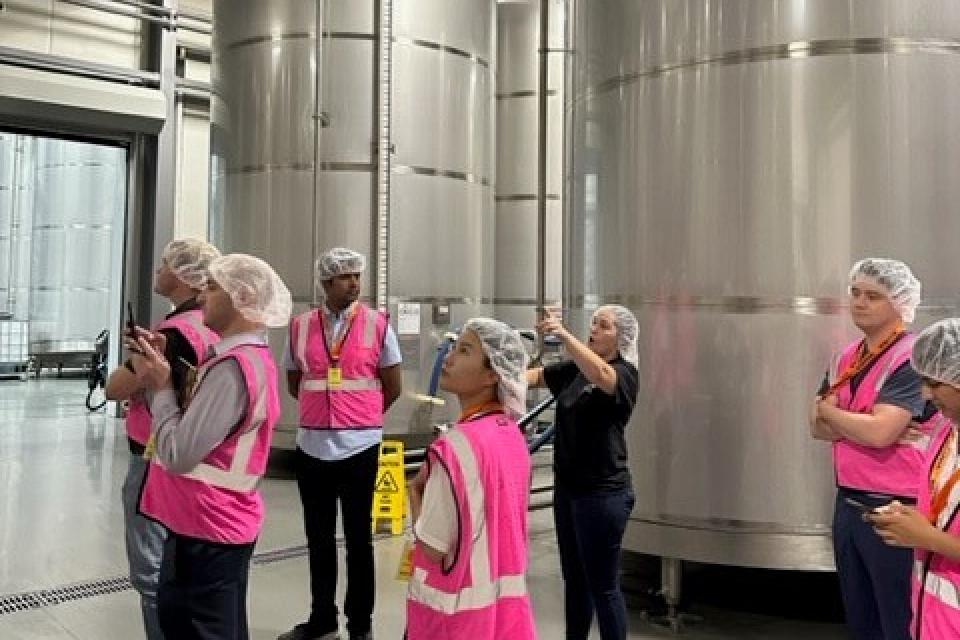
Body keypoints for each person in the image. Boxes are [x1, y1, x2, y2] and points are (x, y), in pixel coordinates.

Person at [130, 253, 292, 640]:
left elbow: (179, 452)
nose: (203, 298)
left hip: (207, 526)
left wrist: (160, 387)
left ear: (243, 296)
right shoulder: (239, 360)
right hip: (206, 522)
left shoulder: (234, 369)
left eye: (214, 288)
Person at [810, 258, 937, 640]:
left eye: (873, 296)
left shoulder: (910, 358)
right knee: (862, 617)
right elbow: (816, 426)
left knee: (897, 617)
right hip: (849, 502)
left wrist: (838, 416)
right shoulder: (846, 357)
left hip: (897, 505)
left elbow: (880, 433)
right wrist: (856, 422)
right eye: (855, 293)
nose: (860, 302)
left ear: (900, 303)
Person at [280, 248, 403, 640]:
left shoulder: (377, 324)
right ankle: (322, 619)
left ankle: (360, 626)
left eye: (357, 276)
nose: (355, 283)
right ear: (326, 282)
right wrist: (323, 412)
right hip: (313, 445)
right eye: (346, 276)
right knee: (318, 539)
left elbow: (392, 385)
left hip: (359, 446)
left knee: (358, 541)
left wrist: (357, 415)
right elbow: (294, 381)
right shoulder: (300, 326)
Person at [104, 237, 221, 640]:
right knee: (182, 565)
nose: (158, 270)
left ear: (187, 277)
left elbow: (113, 387)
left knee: (151, 572)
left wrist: (135, 363)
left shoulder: (171, 333)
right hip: (196, 457)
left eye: (166, 264)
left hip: (155, 459)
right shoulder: (212, 327)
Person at [405, 318, 537, 639]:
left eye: (464, 351)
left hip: (454, 621)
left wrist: (415, 493)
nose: (449, 357)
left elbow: (434, 547)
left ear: (493, 374)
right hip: (506, 619)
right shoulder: (512, 437)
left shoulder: (455, 447)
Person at [525, 305, 640, 640]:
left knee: (603, 586)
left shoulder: (625, 373)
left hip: (603, 495)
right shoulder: (576, 369)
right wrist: (497, 364)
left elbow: (604, 377)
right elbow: (534, 377)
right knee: (575, 581)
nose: (594, 329)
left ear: (622, 338)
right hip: (569, 491)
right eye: (593, 323)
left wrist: (562, 334)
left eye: (602, 326)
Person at [870, 318, 960, 639]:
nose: (924, 394)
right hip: (931, 620)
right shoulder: (945, 434)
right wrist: (910, 519)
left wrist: (927, 537)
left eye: (935, 384)